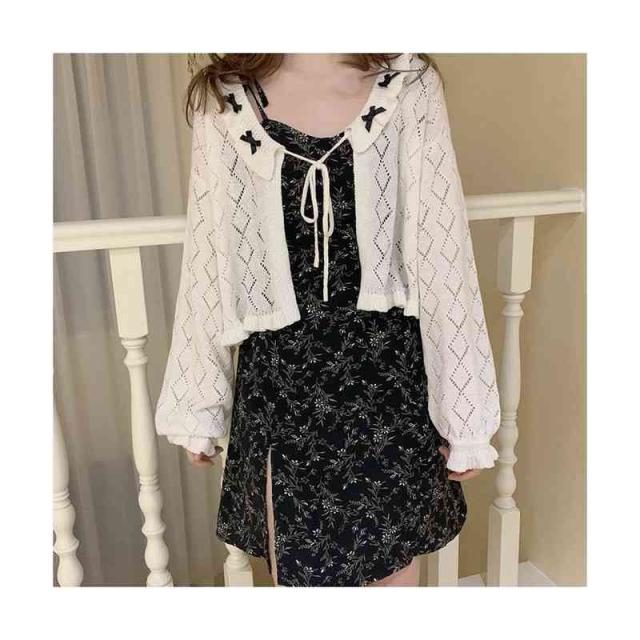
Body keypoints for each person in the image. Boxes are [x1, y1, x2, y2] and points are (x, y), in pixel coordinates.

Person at [155, 53, 501, 587]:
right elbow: (208, 251)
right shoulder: (223, 99)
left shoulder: (409, 86)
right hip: (280, 396)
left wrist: (466, 414)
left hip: (388, 391)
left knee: (392, 577)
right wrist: (200, 402)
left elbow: (443, 253)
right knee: (299, 574)